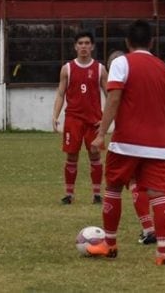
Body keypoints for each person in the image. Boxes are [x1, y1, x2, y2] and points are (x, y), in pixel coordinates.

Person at [86, 20, 165, 265]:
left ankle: (109, 245)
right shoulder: (164, 68)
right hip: (158, 144)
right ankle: (162, 252)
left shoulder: (122, 62)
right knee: (158, 194)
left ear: (128, 43)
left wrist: (102, 132)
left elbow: (114, 97)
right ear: (151, 42)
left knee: (113, 188)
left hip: (127, 142)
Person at [51, 31, 108, 205]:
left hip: (94, 121)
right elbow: (61, 93)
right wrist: (55, 115)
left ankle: (97, 194)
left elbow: (110, 95)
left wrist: (106, 118)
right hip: (73, 119)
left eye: (87, 43)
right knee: (71, 156)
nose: (84, 46)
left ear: (92, 46)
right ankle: (69, 194)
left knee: (95, 155)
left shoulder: (100, 69)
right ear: (75, 46)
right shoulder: (67, 68)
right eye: (80, 43)